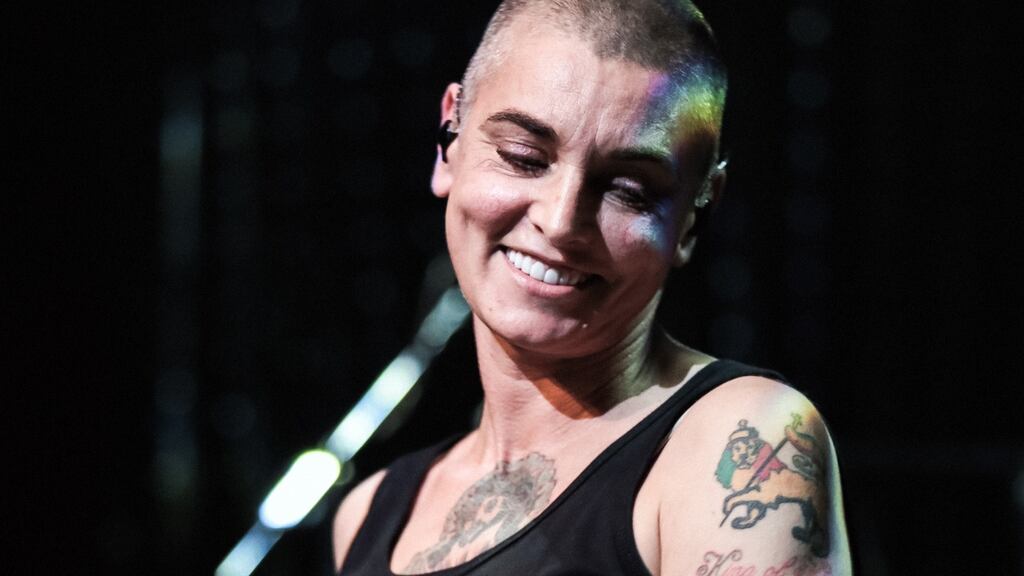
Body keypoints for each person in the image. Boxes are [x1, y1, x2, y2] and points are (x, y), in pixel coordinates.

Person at [333, 1, 851, 574]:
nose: (560, 221)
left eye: (628, 189)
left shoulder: (743, 445)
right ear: (448, 141)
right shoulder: (366, 514)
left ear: (693, 219)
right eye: (523, 158)